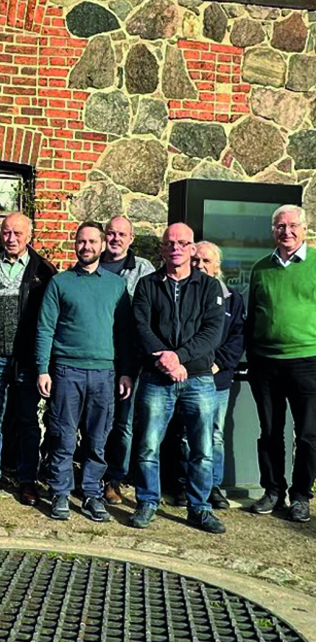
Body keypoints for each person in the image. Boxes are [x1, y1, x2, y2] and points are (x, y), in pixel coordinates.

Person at [127, 224, 226, 533]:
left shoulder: (209, 287)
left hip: (198, 378)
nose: (176, 248)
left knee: (202, 448)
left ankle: (199, 508)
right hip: (157, 378)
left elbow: (212, 332)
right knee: (148, 445)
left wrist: (179, 357)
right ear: (162, 248)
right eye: (170, 243)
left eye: (183, 243)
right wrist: (166, 359)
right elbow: (141, 327)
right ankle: (147, 501)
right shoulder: (147, 285)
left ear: (192, 248)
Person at [36, 222, 133, 523]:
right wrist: (43, 369)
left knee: (98, 439)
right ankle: (61, 493)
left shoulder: (115, 285)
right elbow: (45, 329)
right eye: (81, 241)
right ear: (74, 244)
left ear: (102, 245)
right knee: (63, 437)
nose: (86, 247)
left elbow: (125, 333)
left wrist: (126, 371)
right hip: (66, 371)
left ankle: (91, 494)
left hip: (104, 373)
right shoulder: (61, 283)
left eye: (92, 241)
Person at [0, 212, 56, 505]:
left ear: (29, 236)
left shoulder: (44, 271)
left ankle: (28, 478)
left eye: (17, 233)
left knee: (28, 419)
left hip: (27, 359)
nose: (11, 238)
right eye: (6, 232)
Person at [245, 205, 316, 524]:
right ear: (272, 230)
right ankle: (273, 490)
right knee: (270, 432)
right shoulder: (261, 268)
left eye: (292, 226)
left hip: (307, 363)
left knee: (307, 435)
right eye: (279, 226)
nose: (286, 231)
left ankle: (301, 496)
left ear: (305, 228)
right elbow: (253, 315)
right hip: (266, 364)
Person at [176, 242, 244, 510]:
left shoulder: (232, 299)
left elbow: (237, 338)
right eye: (196, 261)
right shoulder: (183, 294)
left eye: (206, 261)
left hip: (217, 379)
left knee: (214, 434)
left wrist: (219, 364)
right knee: (185, 434)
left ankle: (212, 486)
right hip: (189, 376)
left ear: (217, 266)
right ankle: (185, 484)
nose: (200, 266)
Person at [98, 215, 157, 505]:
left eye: (122, 234)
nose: (116, 239)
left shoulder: (144, 270)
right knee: (94, 421)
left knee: (123, 424)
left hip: (129, 361)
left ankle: (114, 479)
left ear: (131, 239)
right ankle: (90, 474)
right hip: (96, 357)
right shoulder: (90, 264)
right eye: (111, 233)